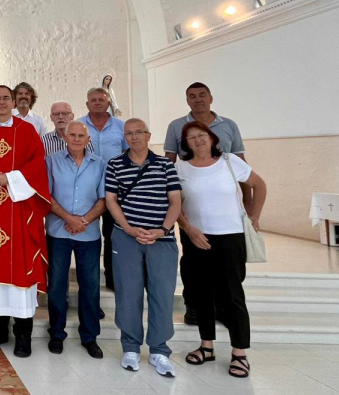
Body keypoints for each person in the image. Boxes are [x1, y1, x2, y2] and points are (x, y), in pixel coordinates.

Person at [177, 121, 267, 379]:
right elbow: (175, 204)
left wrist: (255, 215)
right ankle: (206, 346)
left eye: (201, 135)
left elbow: (259, 185)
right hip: (196, 238)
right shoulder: (180, 167)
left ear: (211, 138)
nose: (198, 140)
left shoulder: (229, 161)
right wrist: (189, 229)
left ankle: (240, 352)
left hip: (230, 236)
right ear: (186, 143)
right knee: (201, 293)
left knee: (231, 294)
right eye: (191, 137)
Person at [0, 85, 50, 358]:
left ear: (14, 102)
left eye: (6, 98)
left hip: (19, 212)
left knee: (21, 273)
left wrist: (8, 178)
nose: (2, 102)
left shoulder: (27, 131)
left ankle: (23, 334)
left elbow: (37, 165)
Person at [163, 81, 247, 326]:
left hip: (226, 214)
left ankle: (223, 307)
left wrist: (250, 210)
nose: (197, 99)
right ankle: (194, 306)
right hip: (192, 211)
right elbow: (168, 164)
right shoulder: (176, 126)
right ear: (187, 100)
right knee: (192, 263)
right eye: (192, 96)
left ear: (210, 98)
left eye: (202, 95)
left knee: (228, 266)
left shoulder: (229, 125)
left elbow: (243, 166)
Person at [105, 118, 182, 378]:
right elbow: (111, 200)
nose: (134, 137)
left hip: (161, 240)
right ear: (124, 137)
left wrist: (163, 230)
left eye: (139, 132)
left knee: (162, 294)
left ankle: (159, 350)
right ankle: (130, 347)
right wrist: (128, 228)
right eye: (129, 133)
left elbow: (175, 201)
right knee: (128, 293)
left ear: (148, 135)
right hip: (127, 238)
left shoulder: (164, 164)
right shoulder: (115, 164)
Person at [45, 121, 106, 359]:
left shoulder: (99, 164)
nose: (77, 139)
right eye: (73, 135)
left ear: (88, 140)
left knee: (90, 286)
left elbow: (103, 200)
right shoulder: (51, 161)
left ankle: (90, 337)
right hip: (58, 232)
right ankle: (56, 334)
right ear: (65, 137)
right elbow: (47, 196)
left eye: (82, 136)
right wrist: (69, 218)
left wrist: (84, 221)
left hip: (88, 234)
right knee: (57, 285)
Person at [80, 86, 128, 291]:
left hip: (114, 187)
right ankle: (87, 280)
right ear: (87, 104)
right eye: (93, 100)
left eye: (101, 99)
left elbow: (127, 154)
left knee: (112, 233)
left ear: (108, 103)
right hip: (85, 187)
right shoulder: (79, 125)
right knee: (86, 233)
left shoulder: (121, 126)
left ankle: (112, 278)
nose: (98, 103)